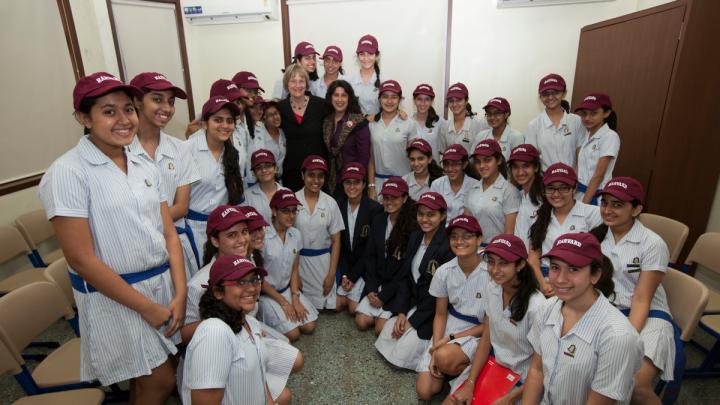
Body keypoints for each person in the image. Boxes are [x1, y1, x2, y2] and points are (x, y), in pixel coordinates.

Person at [38, 72, 185, 402]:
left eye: (129, 109)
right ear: (83, 118)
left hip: (161, 286)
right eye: (109, 111)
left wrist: (181, 289)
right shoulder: (68, 172)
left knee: (147, 377)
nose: (124, 120)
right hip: (116, 296)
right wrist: (147, 308)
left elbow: (168, 233)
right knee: (160, 379)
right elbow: (81, 259)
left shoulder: (143, 164)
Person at [181, 205, 300, 405]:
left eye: (244, 232)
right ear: (214, 240)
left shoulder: (249, 262)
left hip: (248, 331)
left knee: (296, 360)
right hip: (218, 348)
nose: (243, 239)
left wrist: (249, 327)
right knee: (284, 395)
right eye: (232, 235)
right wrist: (222, 317)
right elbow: (182, 336)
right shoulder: (199, 285)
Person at [522, 233, 644, 404]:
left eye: (574, 269)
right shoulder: (546, 309)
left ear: (595, 275)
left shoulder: (618, 337)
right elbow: (537, 371)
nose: (560, 279)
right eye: (555, 267)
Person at [592, 177, 677, 404]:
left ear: (636, 209)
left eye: (617, 205)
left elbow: (641, 299)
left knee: (636, 385)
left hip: (647, 314)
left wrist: (624, 342)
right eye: (605, 203)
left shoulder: (652, 243)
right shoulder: (596, 237)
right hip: (608, 309)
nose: (608, 210)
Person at [450, 234, 545, 405]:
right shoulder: (492, 287)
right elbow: (486, 338)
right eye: (491, 261)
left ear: (521, 264)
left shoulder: (537, 306)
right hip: (493, 366)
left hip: (522, 380)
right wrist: (470, 383)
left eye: (503, 263)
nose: (494, 269)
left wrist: (510, 398)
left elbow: (543, 368)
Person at [128, 72, 201, 276]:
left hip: (176, 241)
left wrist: (141, 223)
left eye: (170, 102)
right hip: (138, 247)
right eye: (157, 99)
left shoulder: (180, 149)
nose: (167, 108)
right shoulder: (122, 151)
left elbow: (182, 206)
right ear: (137, 102)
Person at [375, 192, 454, 371]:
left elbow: (440, 297)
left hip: (433, 311)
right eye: (421, 214)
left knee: (401, 354)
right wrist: (402, 312)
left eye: (431, 214)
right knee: (387, 335)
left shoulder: (447, 248)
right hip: (414, 302)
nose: (424, 219)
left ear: (442, 216)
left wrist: (413, 321)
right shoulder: (415, 237)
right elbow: (404, 278)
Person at [181, 255, 274, 404]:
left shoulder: (249, 322)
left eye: (255, 279)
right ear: (218, 292)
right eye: (240, 282)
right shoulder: (214, 333)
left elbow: (261, 378)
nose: (251, 288)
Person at [416, 215, 487, 401]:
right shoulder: (444, 271)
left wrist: (448, 341)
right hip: (451, 324)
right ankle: (450, 366)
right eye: (454, 237)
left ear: (479, 239)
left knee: (445, 357)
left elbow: (490, 326)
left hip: (479, 332)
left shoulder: (490, 273)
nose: (460, 241)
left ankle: (461, 368)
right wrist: (434, 350)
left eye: (467, 236)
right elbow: (440, 314)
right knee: (425, 392)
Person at [527, 163, 602, 297]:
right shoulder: (540, 216)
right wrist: (543, 285)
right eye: (550, 188)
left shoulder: (592, 214)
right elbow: (533, 258)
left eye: (563, 188)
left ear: (574, 189)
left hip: (577, 283)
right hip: (544, 282)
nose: (556, 194)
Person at [355, 177, 418, 333]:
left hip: (396, 287)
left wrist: (384, 296)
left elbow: (405, 270)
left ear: (404, 199)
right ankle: (378, 312)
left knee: (380, 329)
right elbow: (369, 257)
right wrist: (371, 288)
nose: (389, 202)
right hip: (377, 282)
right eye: (386, 198)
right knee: (361, 322)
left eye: (394, 198)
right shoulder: (379, 220)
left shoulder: (413, 228)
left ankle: (385, 315)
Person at [185, 96, 245, 259]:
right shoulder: (187, 150)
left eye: (229, 121)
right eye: (218, 120)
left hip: (224, 230)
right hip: (195, 228)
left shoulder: (232, 154)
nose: (225, 126)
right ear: (204, 123)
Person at [259, 189, 319, 341]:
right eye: (285, 211)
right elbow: (258, 279)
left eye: (294, 211)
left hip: (287, 290)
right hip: (267, 294)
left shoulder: (296, 234)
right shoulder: (262, 237)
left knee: (309, 326)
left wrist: (295, 299)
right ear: (274, 211)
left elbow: (294, 269)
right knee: (293, 334)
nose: (291, 216)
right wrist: (284, 303)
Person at [294, 155, 345, 309]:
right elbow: (288, 240)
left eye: (320, 176)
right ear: (303, 175)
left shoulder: (331, 203)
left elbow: (336, 241)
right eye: (311, 175)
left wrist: (331, 275)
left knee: (335, 305)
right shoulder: (292, 200)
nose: (316, 180)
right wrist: (295, 275)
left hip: (323, 263)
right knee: (303, 306)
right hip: (299, 262)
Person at [336, 163, 383, 314]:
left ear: (364, 184)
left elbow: (370, 251)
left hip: (365, 268)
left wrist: (353, 276)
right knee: (337, 305)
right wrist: (344, 274)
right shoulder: (338, 206)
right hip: (347, 266)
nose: (352, 187)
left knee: (352, 309)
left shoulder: (374, 209)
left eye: (356, 182)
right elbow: (341, 247)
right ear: (343, 184)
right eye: (348, 182)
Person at [278, 64, 328, 191]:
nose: (297, 85)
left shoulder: (320, 105)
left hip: (318, 171)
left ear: (306, 83)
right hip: (292, 171)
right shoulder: (280, 108)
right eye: (293, 81)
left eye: (301, 81)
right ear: (286, 84)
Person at [525, 73, 585, 171]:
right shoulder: (534, 125)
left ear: (564, 93)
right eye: (545, 94)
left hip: (571, 180)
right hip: (545, 181)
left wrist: (576, 180)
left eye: (556, 92)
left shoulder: (576, 121)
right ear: (540, 97)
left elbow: (581, 154)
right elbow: (532, 159)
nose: (550, 97)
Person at [465, 139, 520, 241]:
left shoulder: (509, 191)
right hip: (473, 250)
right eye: (478, 161)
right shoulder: (472, 189)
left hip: (498, 252)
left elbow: (509, 234)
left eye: (487, 160)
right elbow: (466, 225)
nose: (482, 166)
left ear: (499, 160)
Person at [367, 80, 414, 198]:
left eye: (394, 97)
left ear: (399, 100)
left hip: (403, 183)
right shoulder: (372, 124)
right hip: (379, 184)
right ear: (379, 99)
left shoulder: (408, 124)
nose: (389, 101)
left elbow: (414, 158)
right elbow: (370, 159)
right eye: (385, 97)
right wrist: (371, 186)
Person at [322, 79, 370, 195]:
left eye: (344, 95)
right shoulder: (326, 121)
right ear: (330, 97)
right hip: (330, 182)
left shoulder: (358, 122)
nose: (339, 99)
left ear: (349, 98)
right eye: (336, 95)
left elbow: (364, 158)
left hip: (352, 183)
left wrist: (358, 182)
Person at [574, 93, 621, 205]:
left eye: (593, 113)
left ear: (606, 113)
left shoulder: (610, 136)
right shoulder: (587, 134)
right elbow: (579, 166)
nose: (587, 118)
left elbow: (598, 175)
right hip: (580, 192)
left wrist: (584, 205)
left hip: (594, 195)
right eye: (584, 114)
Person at [431, 145, 480, 220]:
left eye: (455, 164)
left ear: (465, 164)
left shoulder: (476, 186)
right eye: (446, 164)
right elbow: (432, 213)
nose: (450, 169)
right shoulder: (437, 185)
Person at [439, 82, 488, 155]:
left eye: (459, 100)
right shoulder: (445, 126)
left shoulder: (479, 125)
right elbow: (443, 153)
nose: (454, 104)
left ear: (466, 100)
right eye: (451, 101)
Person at [508, 144, 544, 244]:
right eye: (515, 167)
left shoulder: (544, 198)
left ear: (536, 167)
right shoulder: (518, 194)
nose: (520, 172)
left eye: (526, 166)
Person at [244, 149, 288, 223]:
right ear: (254, 173)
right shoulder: (246, 196)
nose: (264, 170)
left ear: (275, 168)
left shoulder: (287, 193)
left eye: (268, 166)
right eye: (258, 167)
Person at [249, 100, 286, 181]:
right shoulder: (258, 136)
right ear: (264, 118)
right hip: (263, 180)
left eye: (276, 113)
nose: (275, 117)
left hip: (280, 180)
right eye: (270, 115)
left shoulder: (283, 133)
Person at [411, 84, 446, 163]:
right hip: (415, 171)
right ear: (414, 100)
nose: (423, 103)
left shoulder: (440, 122)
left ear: (432, 101)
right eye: (419, 99)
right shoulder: (408, 123)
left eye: (427, 99)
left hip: (435, 172)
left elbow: (445, 149)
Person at [349, 34, 382, 116]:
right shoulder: (349, 81)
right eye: (362, 54)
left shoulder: (385, 80)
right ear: (357, 56)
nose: (366, 58)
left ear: (377, 55)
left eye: (370, 54)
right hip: (356, 127)